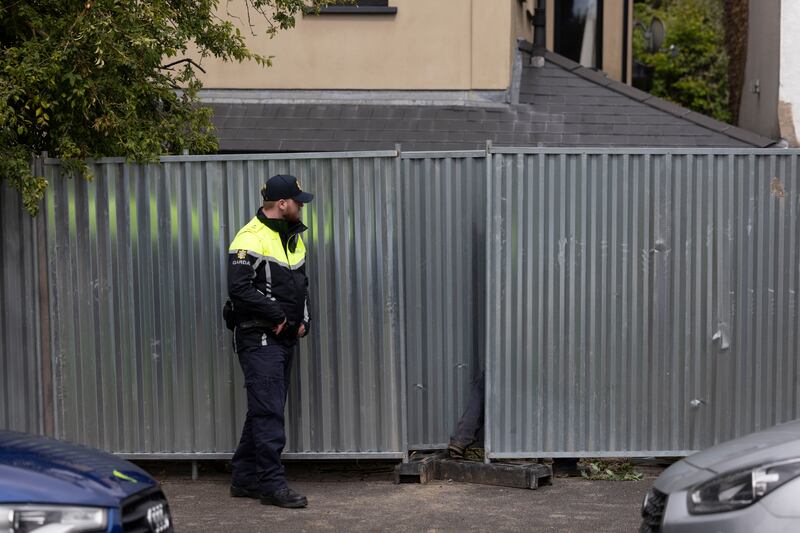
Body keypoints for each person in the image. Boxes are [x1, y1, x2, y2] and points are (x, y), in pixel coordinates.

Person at [224, 174, 313, 508]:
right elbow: (239, 289)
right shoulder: (249, 237)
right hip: (258, 337)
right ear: (282, 204)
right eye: (298, 201)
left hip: (284, 337)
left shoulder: (292, 238)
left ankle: (244, 478)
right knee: (269, 413)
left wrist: (303, 320)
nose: (302, 206)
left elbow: (301, 284)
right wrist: (277, 317)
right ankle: (271, 485)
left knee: (264, 408)